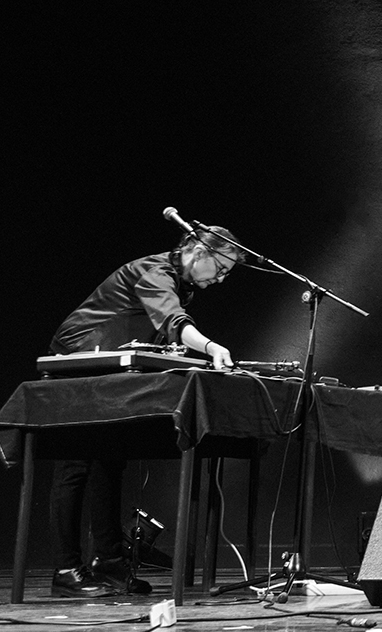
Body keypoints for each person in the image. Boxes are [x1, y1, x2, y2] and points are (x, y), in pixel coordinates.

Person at [45, 227, 242, 598]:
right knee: (75, 463)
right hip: (80, 354)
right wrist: (211, 347)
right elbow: (173, 321)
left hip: (110, 362)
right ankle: (66, 568)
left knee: (109, 459)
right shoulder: (154, 272)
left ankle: (107, 560)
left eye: (227, 273)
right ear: (198, 251)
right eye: (220, 267)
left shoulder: (180, 282)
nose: (220, 277)